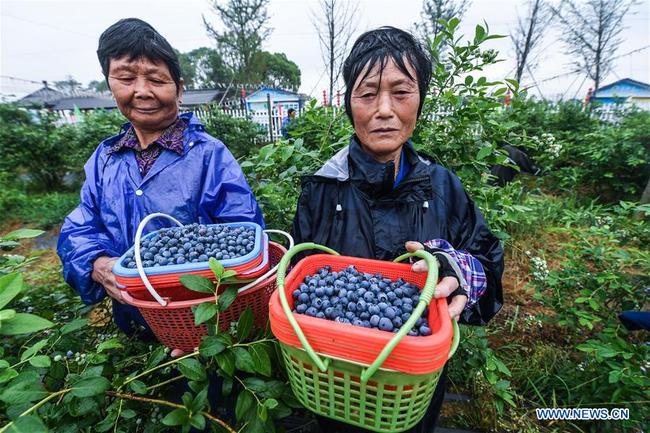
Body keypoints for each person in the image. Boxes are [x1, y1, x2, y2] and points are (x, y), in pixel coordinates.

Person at [291, 27, 504, 432]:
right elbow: (300, 287)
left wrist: (461, 274)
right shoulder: (321, 190)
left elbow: (488, 266)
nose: (384, 109)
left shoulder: (443, 188)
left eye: (401, 92)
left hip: (415, 390)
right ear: (349, 104)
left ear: (420, 100)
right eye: (368, 93)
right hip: (335, 383)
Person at [57, 18, 264, 334]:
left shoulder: (209, 156)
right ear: (110, 84)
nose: (141, 92)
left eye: (155, 79)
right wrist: (97, 264)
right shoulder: (105, 160)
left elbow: (243, 233)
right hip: (133, 322)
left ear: (179, 89)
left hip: (203, 321)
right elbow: (79, 227)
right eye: (126, 78)